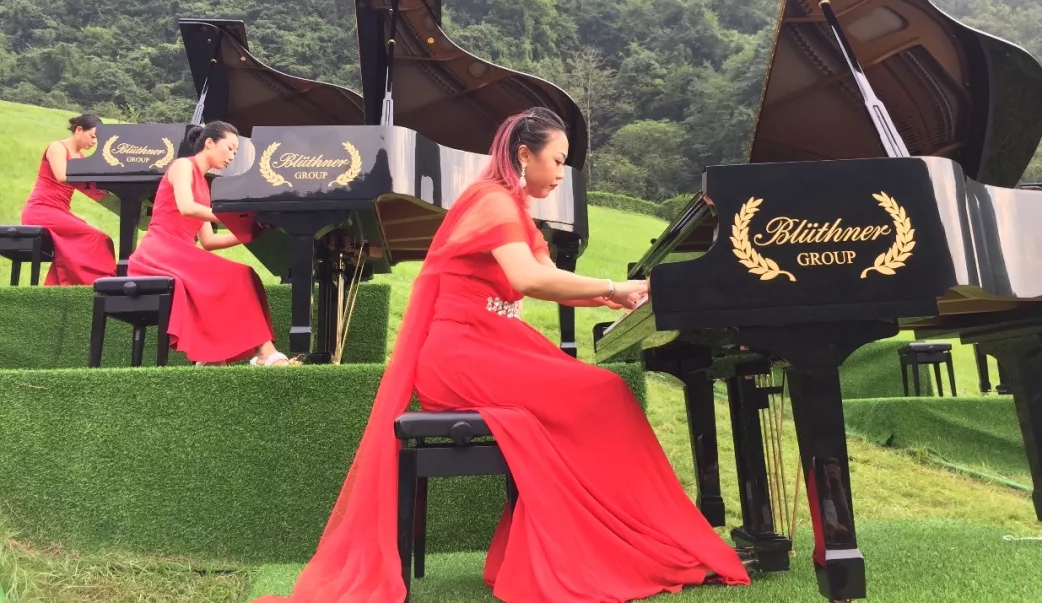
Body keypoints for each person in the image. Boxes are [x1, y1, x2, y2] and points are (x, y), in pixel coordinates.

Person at [256, 108, 751, 603]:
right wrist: (613, 286)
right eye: (557, 161)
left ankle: (625, 539)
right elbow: (527, 279)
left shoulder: (512, 209)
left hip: (491, 345)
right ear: (524, 155)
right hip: (463, 354)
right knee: (605, 392)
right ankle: (624, 543)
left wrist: (613, 297)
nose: (561, 173)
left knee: (605, 393)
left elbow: (550, 279)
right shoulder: (492, 201)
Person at [127, 121, 290, 367]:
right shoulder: (183, 165)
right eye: (230, 148)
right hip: (160, 250)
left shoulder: (204, 185)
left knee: (246, 275)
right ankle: (264, 352)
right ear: (210, 143)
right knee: (238, 275)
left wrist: (249, 233)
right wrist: (234, 217)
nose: (232, 156)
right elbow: (186, 207)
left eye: (236, 151)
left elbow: (209, 241)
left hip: (181, 252)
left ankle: (216, 354)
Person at [20, 113, 116, 286]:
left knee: (103, 239)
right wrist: (93, 175)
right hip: (41, 210)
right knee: (96, 238)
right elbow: (62, 175)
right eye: (92, 136)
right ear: (79, 130)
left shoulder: (81, 158)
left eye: (97, 139)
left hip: (59, 211)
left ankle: (64, 287)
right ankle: (98, 284)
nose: (94, 142)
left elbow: (93, 189)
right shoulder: (57, 147)